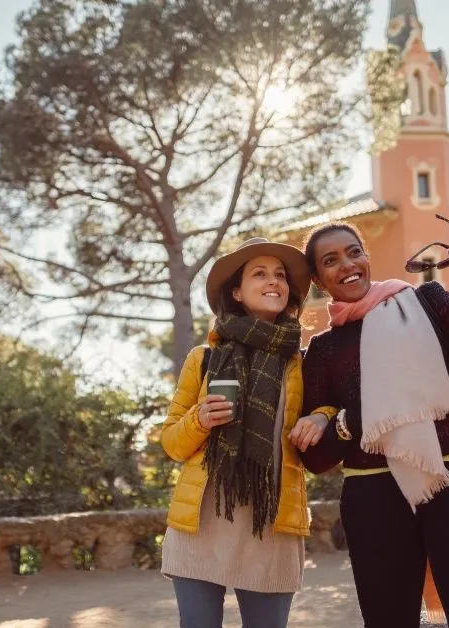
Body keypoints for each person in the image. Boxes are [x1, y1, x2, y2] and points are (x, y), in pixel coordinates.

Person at [288, 202, 449, 627]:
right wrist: (348, 421)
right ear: (319, 279)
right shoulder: (322, 349)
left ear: (366, 257)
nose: (347, 264)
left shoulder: (427, 302)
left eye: (353, 251)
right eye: (330, 260)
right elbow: (316, 458)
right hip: (372, 492)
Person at [159, 237, 324, 628]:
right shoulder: (204, 359)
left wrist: (321, 417)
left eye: (280, 275)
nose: (274, 282)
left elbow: (325, 410)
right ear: (236, 291)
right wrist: (200, 420)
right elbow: (171, 442)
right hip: (202, 525)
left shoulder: (302, 363)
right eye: (260, 274)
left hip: (271, 524)